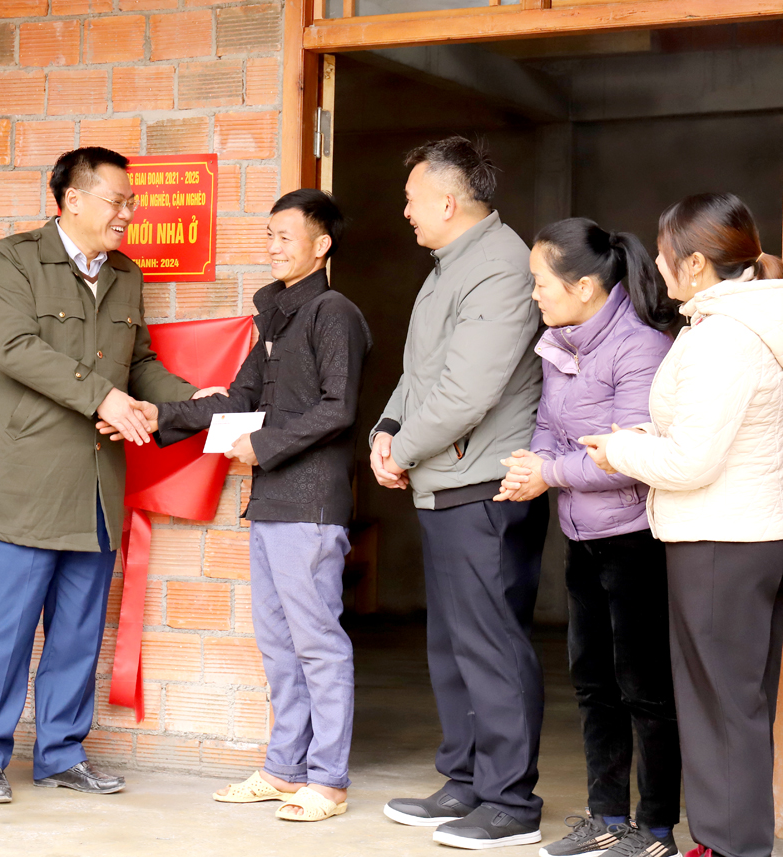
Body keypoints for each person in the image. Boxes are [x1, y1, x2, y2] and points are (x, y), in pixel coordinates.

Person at [0, 147, 218, 804]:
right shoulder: (13, 259)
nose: (128, 213)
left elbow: (141, 363)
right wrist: (102, 397)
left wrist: (193, 401)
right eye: (118, 201)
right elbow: (13, 348)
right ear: (71, 199)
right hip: (28, 480)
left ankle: (62, 752)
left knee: (77, 630)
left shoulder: (125, 275)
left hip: (96, 485)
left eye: (132, 203)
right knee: (5, 627)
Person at [117, 190, 371, 822]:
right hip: (272, 505)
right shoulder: (279, 319)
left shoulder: (333, 312)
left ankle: (329, 780)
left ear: (322, 245)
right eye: (269, 235)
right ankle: (286, 771)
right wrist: (162, 414)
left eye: (287, 236)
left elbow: (338, 409)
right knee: (280, 646)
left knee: (318, 645)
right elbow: (235, 398)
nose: (275, 246)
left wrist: (264, 445)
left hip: (311, 505)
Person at [580, 193, 783, 857]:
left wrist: (620, 450)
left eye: (667, 254)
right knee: (735, 703)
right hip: (746, 531)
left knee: (721, 706)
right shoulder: (743, 319)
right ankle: (729, 839)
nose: (660, 266)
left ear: (696, 262)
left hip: (721, 538)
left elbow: (693, 459)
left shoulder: (725, 336)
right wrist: (644, 434)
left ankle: (732, 846)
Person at [370, 136, 547, 849]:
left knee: (491, 643)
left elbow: (466, 390)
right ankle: (467, 778)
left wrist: (403, 447)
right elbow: (421, 371)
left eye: (412, 199)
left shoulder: (500, 267)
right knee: (451, 644)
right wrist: (387, 427)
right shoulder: (449, 266)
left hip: (483, 484)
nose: (405, 212)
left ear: (447, 200)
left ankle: (509, 800)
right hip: (447, 478)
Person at [493, 219, 681, 857]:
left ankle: (655, 828)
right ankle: (607, 818)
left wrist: (547, 473)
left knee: (645, 689)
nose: (535, 296)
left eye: (541, 284)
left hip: (633, 542)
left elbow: (627, 453)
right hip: (582, 535)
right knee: (593, 681)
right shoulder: (563, 340)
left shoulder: (639, 347)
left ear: (582, 287)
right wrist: (533, 466)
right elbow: (549, 423)